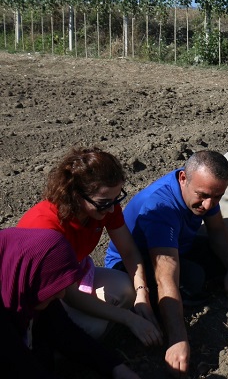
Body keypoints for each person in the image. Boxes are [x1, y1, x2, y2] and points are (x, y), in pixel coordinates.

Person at [104, 150, 228, 377]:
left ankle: (184, 299)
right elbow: (165, 275)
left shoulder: (205, 189)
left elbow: (217, 230)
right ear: (183, 179)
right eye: (203, 196)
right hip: (133, 266)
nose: (209, 205)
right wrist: (178, 338)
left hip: (177, 246)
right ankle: (166, 311)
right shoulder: (161, 207)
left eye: (217, 197)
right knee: (193, 278)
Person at [17, 147, 162, 347]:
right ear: (76, 195)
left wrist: (142, 293)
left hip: (74, 275)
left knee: (127, 289)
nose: (112, 208)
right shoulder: (47, 227)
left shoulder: (103, 207)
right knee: (92, 328)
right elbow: (70, 295)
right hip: (40, 294)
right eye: (104, 202)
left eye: (116, 199)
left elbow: (128, 251)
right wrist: (129, 318)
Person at [0, 228, 139, 378]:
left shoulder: (28, 286)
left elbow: (64, 331)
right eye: (54, 286)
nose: (62, 294)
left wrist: (115, 367)